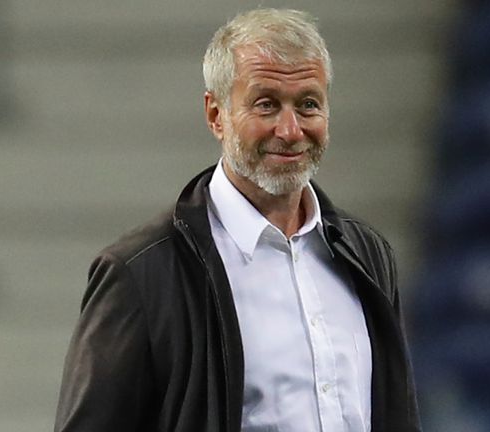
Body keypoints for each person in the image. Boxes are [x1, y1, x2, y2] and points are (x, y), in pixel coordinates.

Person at [54, 8, 420, 432]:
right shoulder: (140, 274)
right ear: (216, 115)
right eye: (266, 104)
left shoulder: (368, 256)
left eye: (308, 105)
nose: (290, 129)